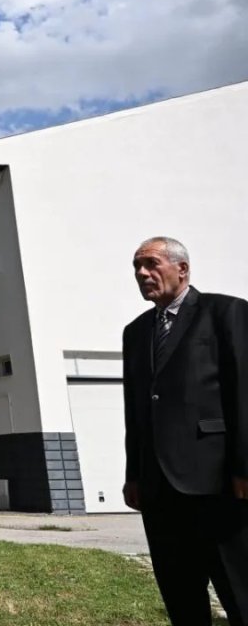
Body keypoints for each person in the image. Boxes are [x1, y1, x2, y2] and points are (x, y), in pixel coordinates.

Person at [122, 237, 248, 626]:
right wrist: (134, 475)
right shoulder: (136, 332)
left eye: (151, 263)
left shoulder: (225, 312)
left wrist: (244, 468)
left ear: (183, 269)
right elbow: (137, 410)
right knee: (182, 597)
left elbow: (243, 391)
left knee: (239, 591)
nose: (142, 273)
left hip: (216, 482)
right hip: (159, 491)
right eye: (137, 267)